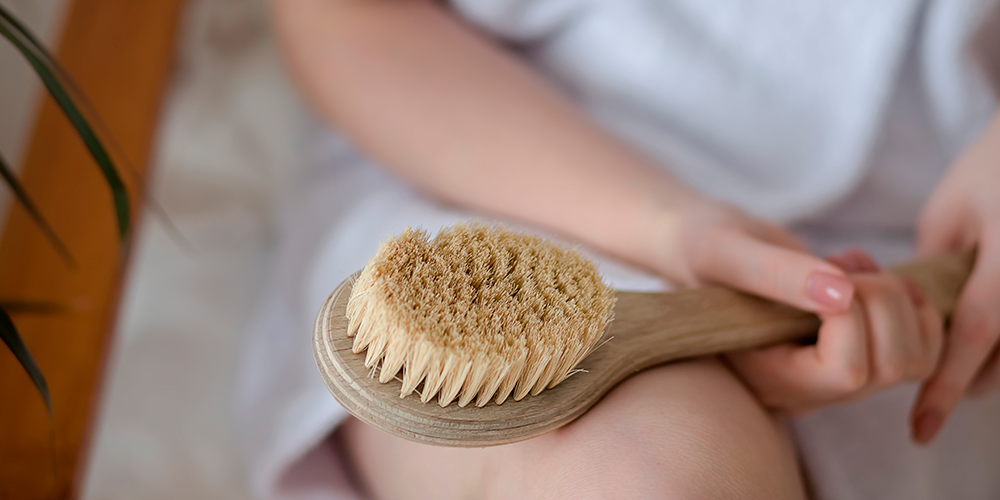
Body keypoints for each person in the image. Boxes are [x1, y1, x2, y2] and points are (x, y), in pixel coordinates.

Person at [236, 0, 1000, 498]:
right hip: (487, 163)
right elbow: (349, 19)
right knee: (652, 478)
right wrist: (672, 226)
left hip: (929, 231)